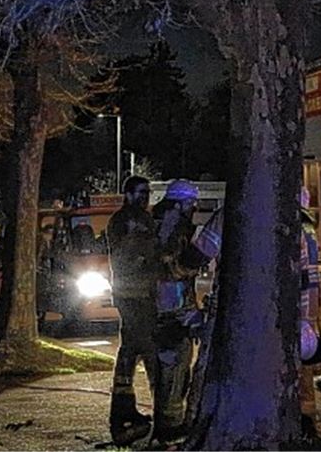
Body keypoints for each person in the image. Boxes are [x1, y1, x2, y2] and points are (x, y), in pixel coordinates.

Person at [151, 179, 203, 447]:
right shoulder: (174, 225)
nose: (193, 208)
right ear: (183, 203)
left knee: (165, 368)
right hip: (173, 307)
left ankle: (165, 422)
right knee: (175, 367)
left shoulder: (156, 221)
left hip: (158, 307)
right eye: (192, 203)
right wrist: (195, 263)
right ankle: (170, 428)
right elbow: (172, 267)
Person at [105, 175, 156, 445]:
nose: (145, 197)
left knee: (131, 350)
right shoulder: (123, 221)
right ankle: (124, 414)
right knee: (142, 347)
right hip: (132, 295)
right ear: (128, 194)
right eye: (140, 192)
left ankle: (125, 410)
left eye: (147, 193)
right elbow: (129, 253)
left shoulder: (145, 219)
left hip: (142, 294)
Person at [298, 193, 321, 439]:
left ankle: (303, 422)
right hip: (310, 305)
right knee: (305, 364)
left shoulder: (296, 228)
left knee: (298, 367)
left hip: (299, 306)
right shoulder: (310, 230)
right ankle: (307, 419)